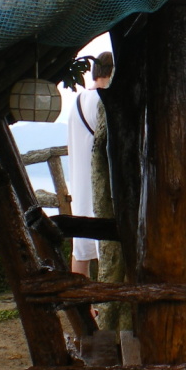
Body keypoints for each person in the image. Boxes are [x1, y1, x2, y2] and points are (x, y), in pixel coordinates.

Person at [67, 51, 114, 276]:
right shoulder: (104, 101)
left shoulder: (78, 101)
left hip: (79, 183)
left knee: (81, 249)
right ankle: (107, 305)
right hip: (102, 186)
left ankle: (81, 308)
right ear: (112, 72)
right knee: (109, 245)